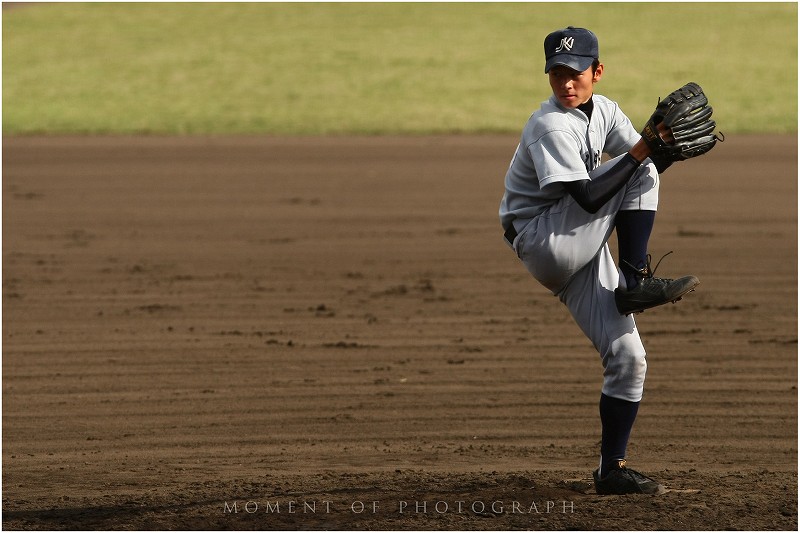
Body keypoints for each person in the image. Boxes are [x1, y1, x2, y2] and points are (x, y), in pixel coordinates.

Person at [498, 26, 702, 495]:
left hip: (579, 244)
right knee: (639, 164)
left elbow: (641, 165)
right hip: (546, 239)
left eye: (576, 73)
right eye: (557, 74)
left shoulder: (605, 110)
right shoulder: (549, 124)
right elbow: (591, 197)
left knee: (629, 358)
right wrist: (649, 151)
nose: (567, 83)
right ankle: (634, 280)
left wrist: (663, 148)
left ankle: (612, 470)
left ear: (597, 71)